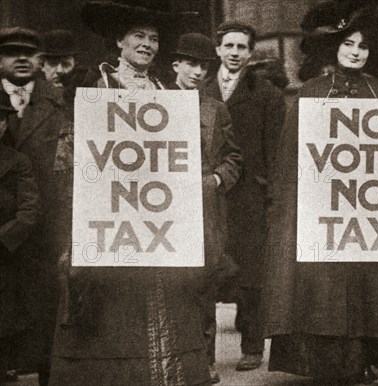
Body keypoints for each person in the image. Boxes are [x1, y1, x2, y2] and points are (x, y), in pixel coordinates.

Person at [49, 2, 241, 385]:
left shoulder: (167, 93)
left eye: (154, 39)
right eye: (138, 36)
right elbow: (71, 155)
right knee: (113, 311)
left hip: (156, 224)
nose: (147, 44)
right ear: (119, 41)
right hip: (112, 217)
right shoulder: (92, 87)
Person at [262, 4, 378, 384]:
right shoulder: (310, 94)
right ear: (334, 47)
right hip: (322, 213)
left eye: (363, 46)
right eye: (348, 43)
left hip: (367, 213)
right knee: (325, 290)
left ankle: (362, 359)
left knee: (366, 287)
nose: (356, 52)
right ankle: (326, 363)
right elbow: (291, 159)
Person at [202, 21, 286, 372]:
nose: (235, 53)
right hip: (211, 192)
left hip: (250, 194)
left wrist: (271, 193)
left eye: (242, 47)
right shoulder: (200, 90)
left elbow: (276, 149)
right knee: (209, 267)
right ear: (218, 49)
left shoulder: (267, 94)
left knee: (251, 273)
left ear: (251, 53)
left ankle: (252, 345)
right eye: (229, 46)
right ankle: (202, 350)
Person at [168, 31, 242, 384]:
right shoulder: (155, 102)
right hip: (164, 207)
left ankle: (205, 362)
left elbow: (233, 157)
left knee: (204, 285)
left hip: (206, 208)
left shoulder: (215, 108)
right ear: (175, 66)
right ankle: (168, 357)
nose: (198, 72)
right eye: (191, 65)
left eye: (204, 67)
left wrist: (215, 181)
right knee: (168, 283)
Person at [0, 26, 70, 386]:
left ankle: (47, 371)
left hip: (47, 224)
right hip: (2, 228)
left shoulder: (59, 102)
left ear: (41, 61)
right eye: (13, 52)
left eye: (30, 53)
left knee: (46, 305)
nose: (22, 58)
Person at [0, 101, 41, 386]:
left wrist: (3, 239)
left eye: (1, 120)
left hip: (5, 255)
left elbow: (30, 211)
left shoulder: (17, 162)